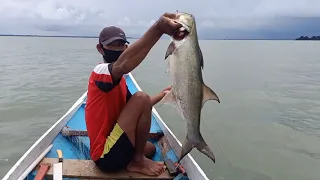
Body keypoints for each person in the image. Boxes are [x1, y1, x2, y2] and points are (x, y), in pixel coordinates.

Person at [85, 12, 183, 176]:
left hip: (115, 143)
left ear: (126, 48)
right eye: (112, 45)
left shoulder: (120, 81)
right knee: (141, 97)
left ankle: (137, 158)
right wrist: (158, 28)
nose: (118, 49)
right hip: (105, 157)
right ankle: (137, 161)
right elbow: (123, 65)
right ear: (100, 49)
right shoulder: (100, 72)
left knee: (150, 149)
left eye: (121, 45)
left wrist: (164, 93)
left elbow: (142, 107)